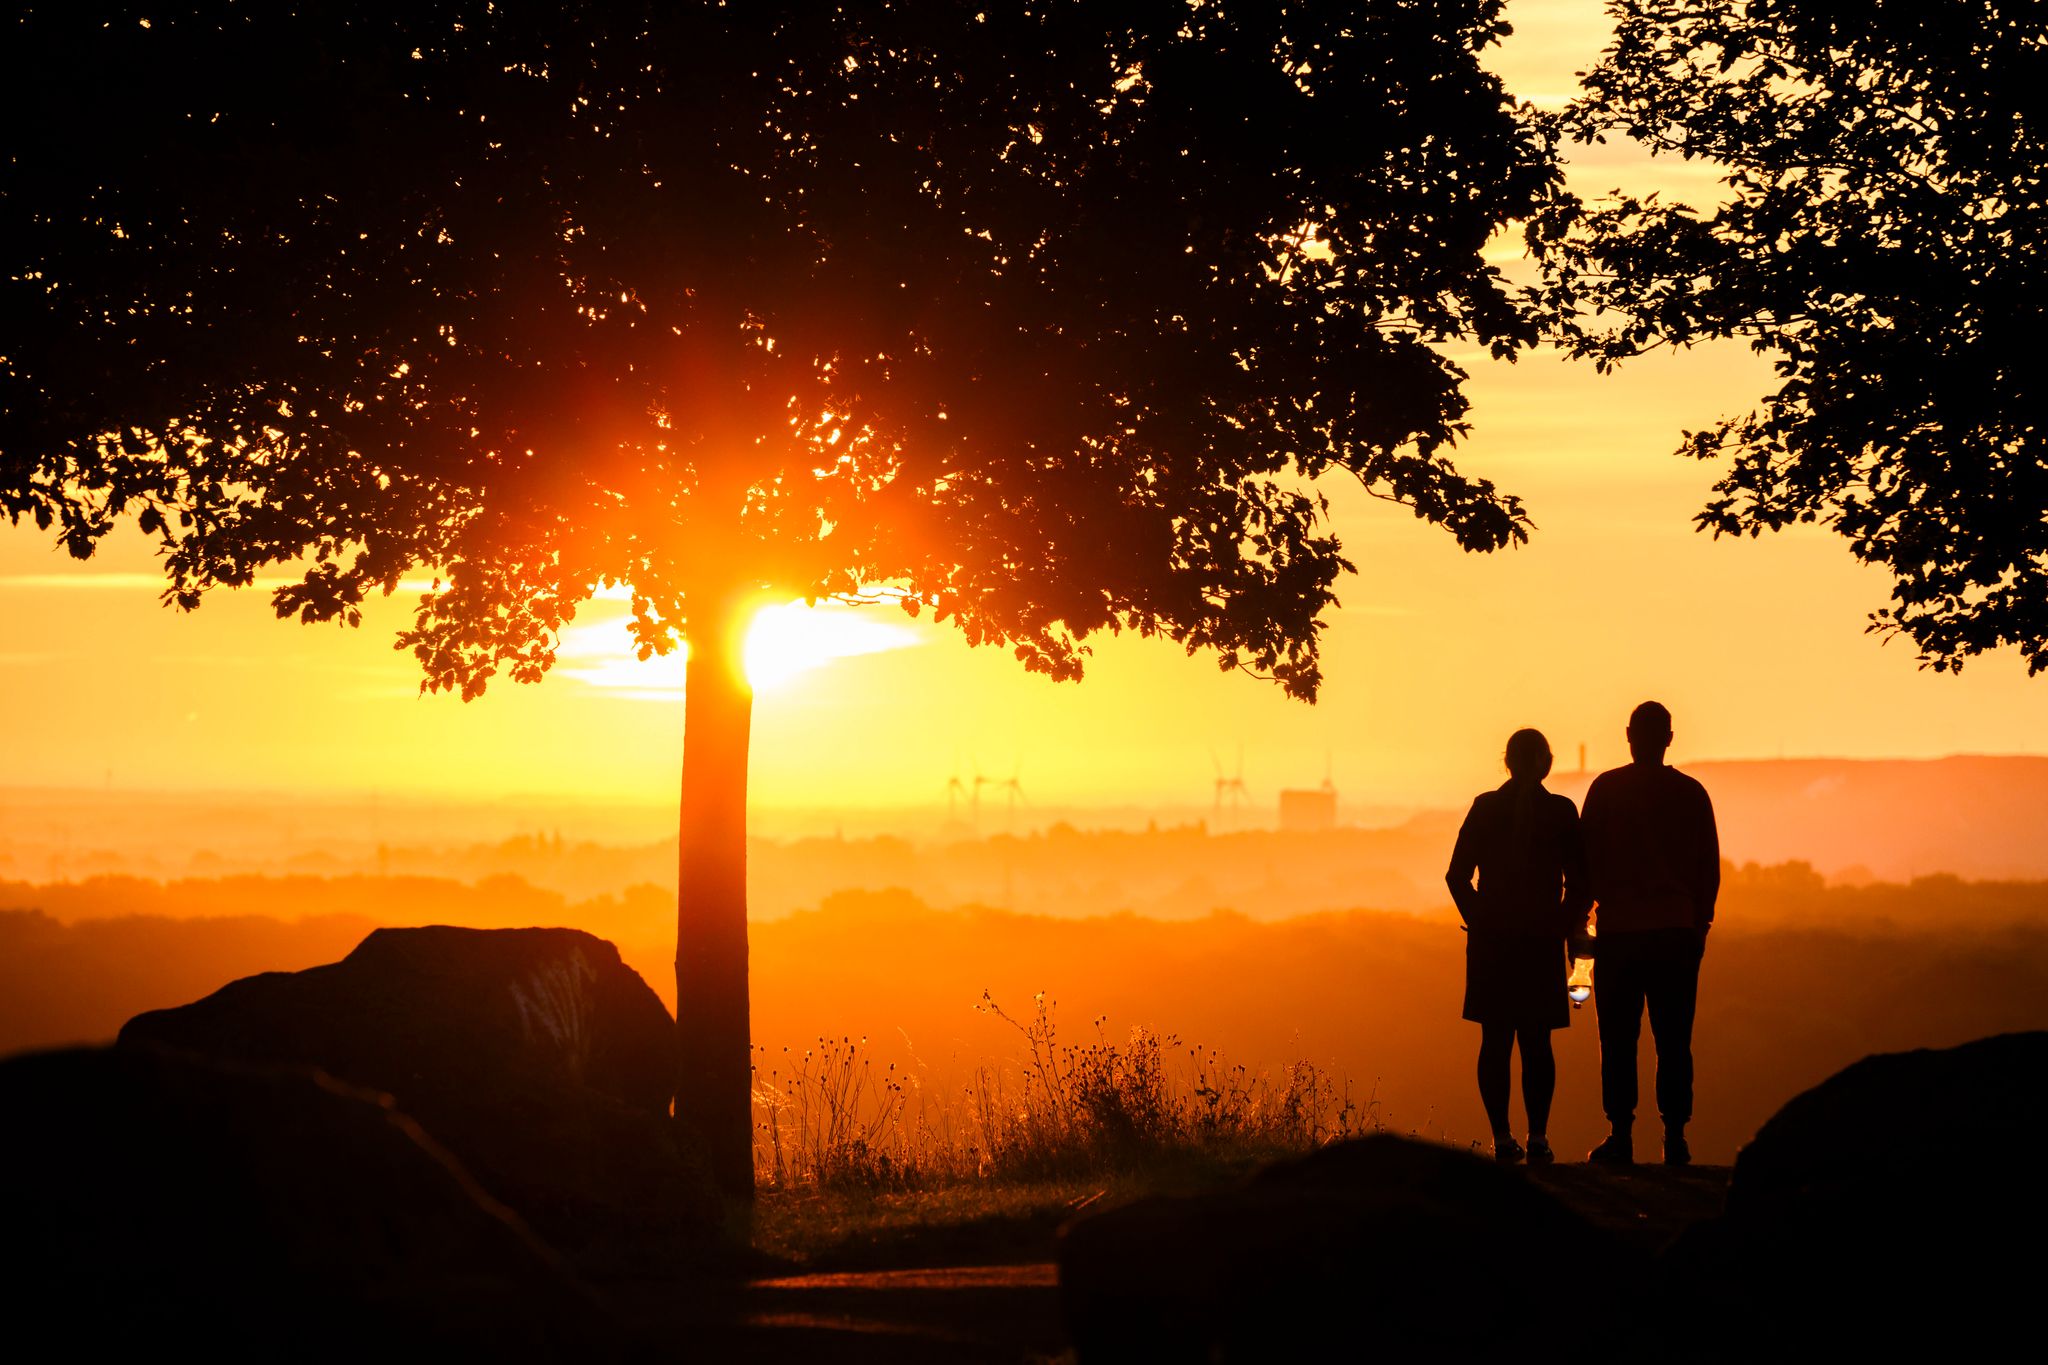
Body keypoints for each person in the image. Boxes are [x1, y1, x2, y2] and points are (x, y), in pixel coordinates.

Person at [1579, 701, 1720, 1167]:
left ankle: (1620, 1134)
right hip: (1676, 933)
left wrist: (1579, 927)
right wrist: (1699, 925)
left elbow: (1584, 865)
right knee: (1674, 1038)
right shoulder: (1692, 794)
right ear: (1670, 738)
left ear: (1628, 735)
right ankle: (1675, 1136)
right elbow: (1709, 869)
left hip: (1619, 931)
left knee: (1618, 1038)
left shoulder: (1606, 790)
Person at [1446, 728, 1590, 1165]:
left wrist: (1481, 920)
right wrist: (1562, 927)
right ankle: (1539, 1137)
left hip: (1492, 944)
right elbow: (1582, 882)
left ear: (1507, 762)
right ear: (1546, 763)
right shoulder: (1561, 812)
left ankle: (1503, 1138)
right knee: (1537, 1043)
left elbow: (1456, 876)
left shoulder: (1486, 808)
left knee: (1495, 1041)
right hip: (1540, 942)